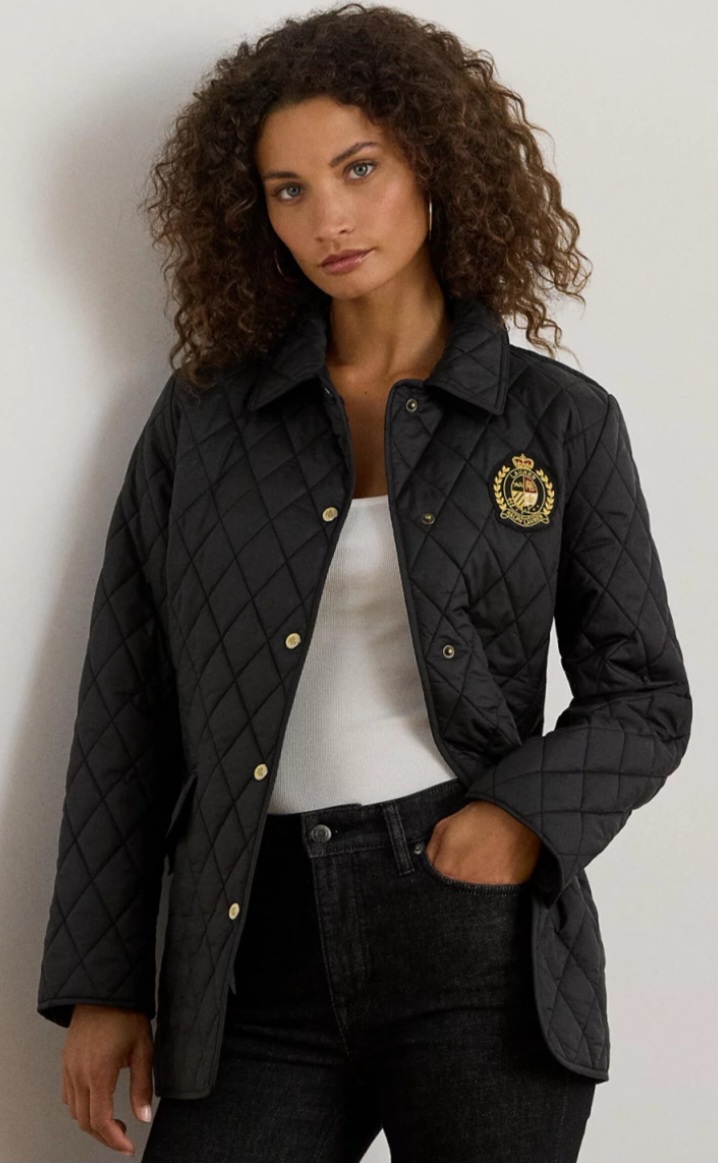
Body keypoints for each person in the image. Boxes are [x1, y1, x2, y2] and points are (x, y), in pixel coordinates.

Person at [37, 4, 693, 1162]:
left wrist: (518, 817)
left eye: (357, 169)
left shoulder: (558, 421)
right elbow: (126, 703)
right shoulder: (206, 420)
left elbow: (644, 692)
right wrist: (103, 978)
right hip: (249, 941)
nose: (327, 218)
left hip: (473, 941)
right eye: (287, 189)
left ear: (431, 165)